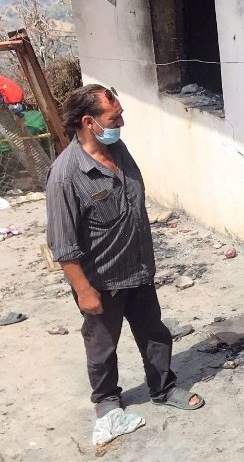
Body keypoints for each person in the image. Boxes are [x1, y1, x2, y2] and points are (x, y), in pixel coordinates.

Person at [46, 84, 204, 423]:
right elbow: (62, 245)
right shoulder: (65, 176)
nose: (121, 123)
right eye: (114, 117)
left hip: (138, 269)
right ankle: (105, 399)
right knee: (102, 346)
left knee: (154, 333)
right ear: (89, 122)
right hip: (101, 280)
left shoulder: (118, 149)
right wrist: (85, 291)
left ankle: (163, 387)